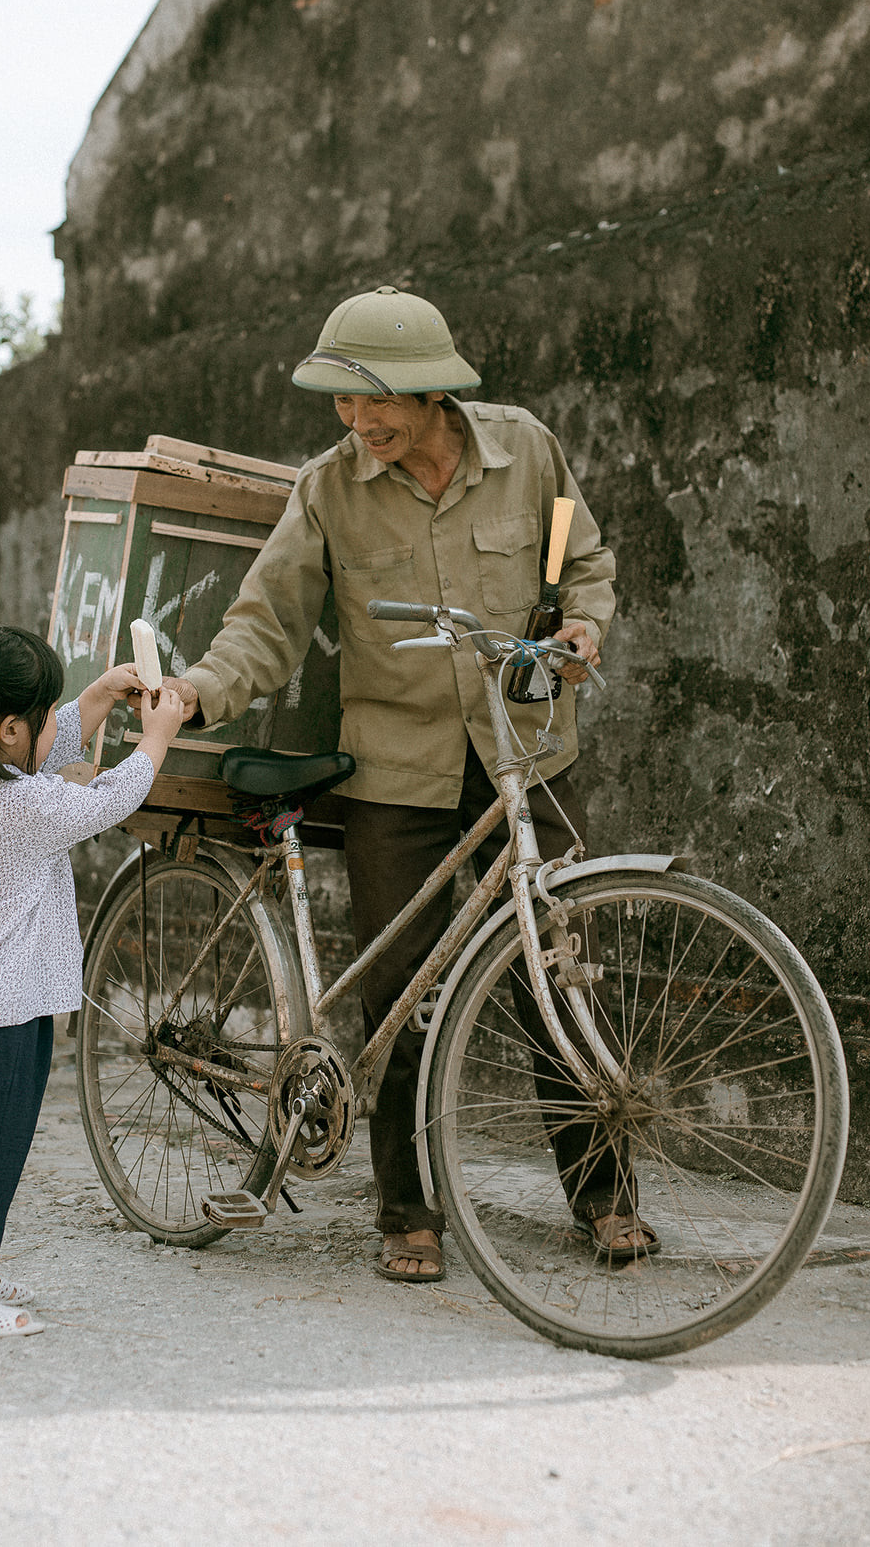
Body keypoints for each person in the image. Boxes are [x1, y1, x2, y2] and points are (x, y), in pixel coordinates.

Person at [165, 286, 657, 1280]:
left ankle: (604, 1196)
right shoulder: (330, 488)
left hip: (530, 754)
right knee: (404, 992)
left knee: (559, 975)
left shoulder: (529, 453)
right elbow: (270, 617)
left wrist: (580, 621)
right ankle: (407, 1207)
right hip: (398, 775)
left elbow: (579, 552)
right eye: (342, 407)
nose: (356, 425)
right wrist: (199, 690)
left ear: (430, 391)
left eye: (372, 404)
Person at [0, 623, 184, 1336]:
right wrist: (155, 737)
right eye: (43, 716)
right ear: (5, 730)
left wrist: (92, 698)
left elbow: (38, 750)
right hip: (0, 1002)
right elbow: (107, 799)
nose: (54, 727)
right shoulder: (25, 807)